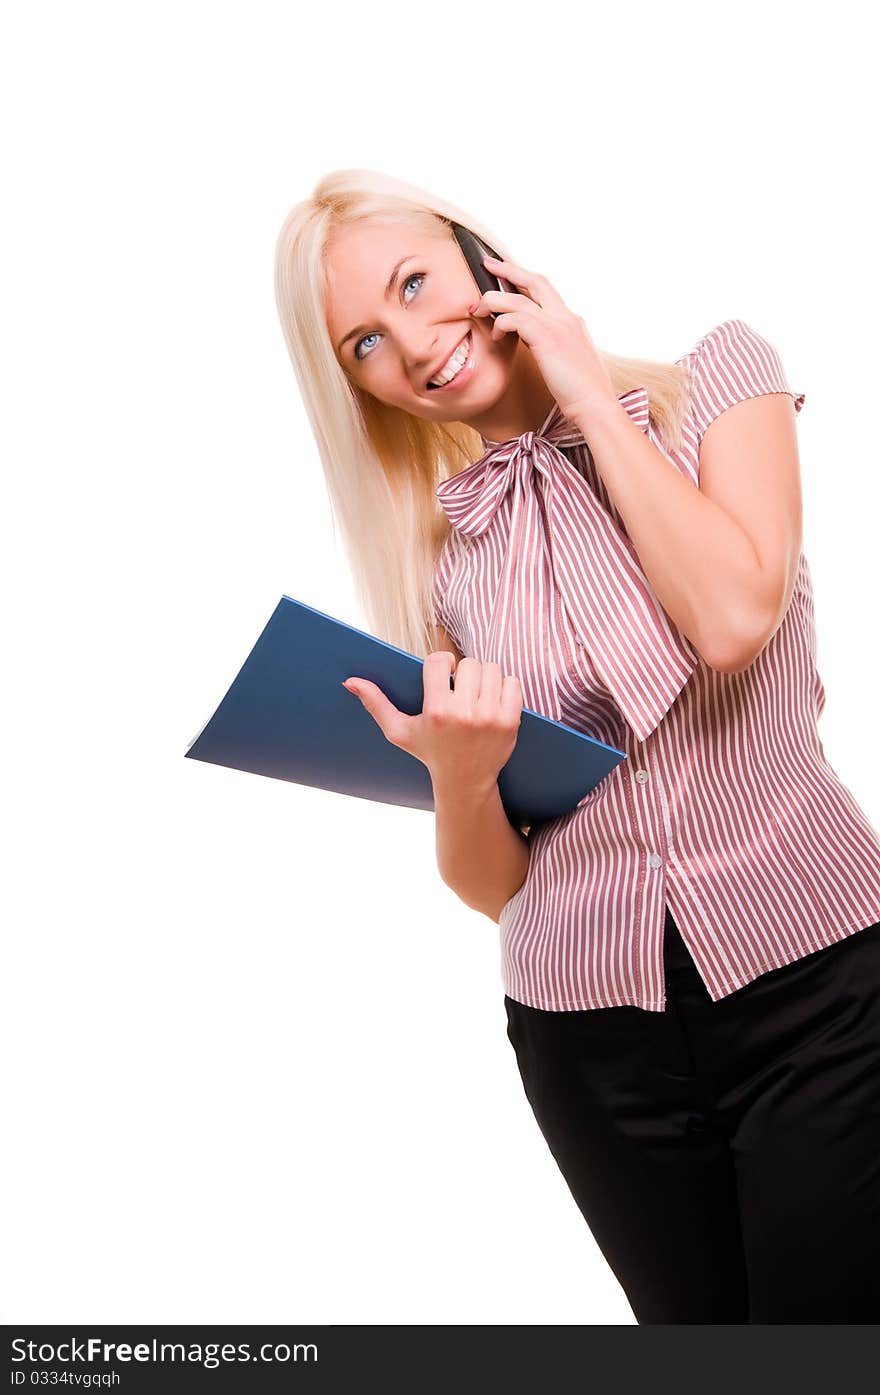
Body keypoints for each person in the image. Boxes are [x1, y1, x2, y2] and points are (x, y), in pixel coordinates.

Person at [273, 167, 880, 1324]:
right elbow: (498, 884)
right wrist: (459, 776)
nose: (413, 343)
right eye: (364, 341)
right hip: (590, 1042)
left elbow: (733, 617)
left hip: (824, 986)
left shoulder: (721, 385)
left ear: (480, 260)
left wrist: (590, 398)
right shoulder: (448, 568)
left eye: (416, 284)